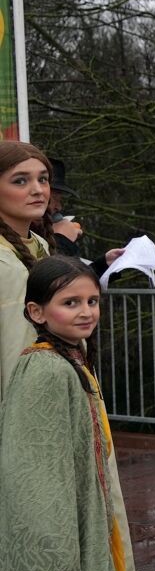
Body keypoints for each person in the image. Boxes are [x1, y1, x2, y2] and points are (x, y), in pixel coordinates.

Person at [0, 255, 138, 571]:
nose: (86, 311)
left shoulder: (69, 358)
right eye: (70, 303)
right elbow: (32, 470)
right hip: (56, 530)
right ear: (37, 312)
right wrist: (56, 549)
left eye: (92, 301)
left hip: (82, 510)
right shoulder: (46, 370)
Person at [0, 141, 54, 402]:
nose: (37, 190)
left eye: (43, 179)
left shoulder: (41, 245)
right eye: (20, 181)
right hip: (16, 399)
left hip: (48, 384)